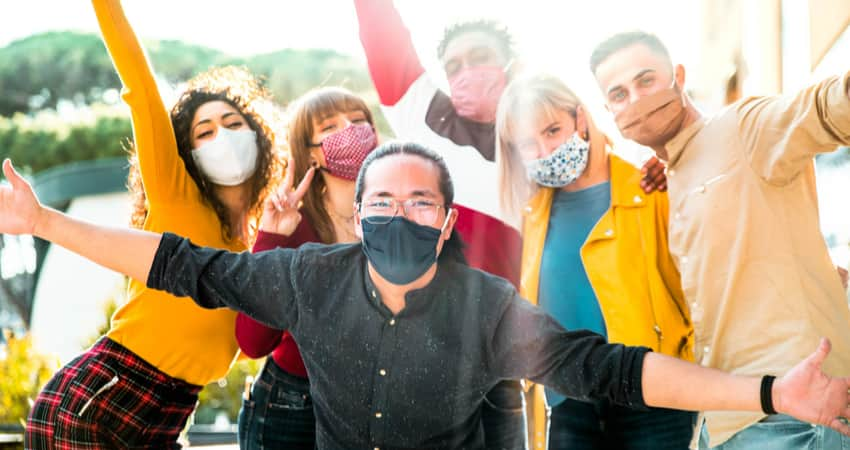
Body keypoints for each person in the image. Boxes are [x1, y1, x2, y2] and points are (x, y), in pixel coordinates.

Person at [2, 142, 850, 449]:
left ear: (446, 226)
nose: (399, 218)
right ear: (357, 216)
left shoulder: (487, 309)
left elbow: (617, 372)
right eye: (381, 204)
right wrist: (43, 221)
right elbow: (176, 261)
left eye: (420, 205)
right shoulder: (308, 277)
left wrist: (771, 393)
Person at [353, 6, 668, 445]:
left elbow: (606, 172)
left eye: (478, 58)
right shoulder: (424, 120)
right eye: (454, 67)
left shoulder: (543, 151)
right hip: (431, 356)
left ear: (512, 65)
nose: (466, 73)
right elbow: (381, 32)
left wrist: (662, 164)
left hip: (514, 365)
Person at [24, 1, 282, 448]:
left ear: (259, 137)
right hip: (100, 398)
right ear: (187, 149)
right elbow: (140, 87)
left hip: (172, 414)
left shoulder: (260, 250)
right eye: (204, 131)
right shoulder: (176, 193)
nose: (221, 136)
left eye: (232, 123)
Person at [590, 31, 850, 449]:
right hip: (728, 418)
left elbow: (824, 109)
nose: (636, 100)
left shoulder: (744, 127)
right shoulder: (672, 176)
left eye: (646, 80)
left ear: (677, 75)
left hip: (795, 413)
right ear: (609, 111)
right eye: (619, 94)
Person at [495, 73, 696, 449]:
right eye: (527, 143)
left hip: (652, 394)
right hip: (570, 401)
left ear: (580, 119)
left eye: (553, 130)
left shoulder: (651, 188)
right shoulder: (531, 215)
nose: (545, 150)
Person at [235, 86, 372, 449]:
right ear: (310, 155)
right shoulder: (296, 226)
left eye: (359, 121)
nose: (350, 129)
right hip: (292, 407)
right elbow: (253, 342)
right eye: (330, 127)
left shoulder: (398, 214)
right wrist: (272, 239)